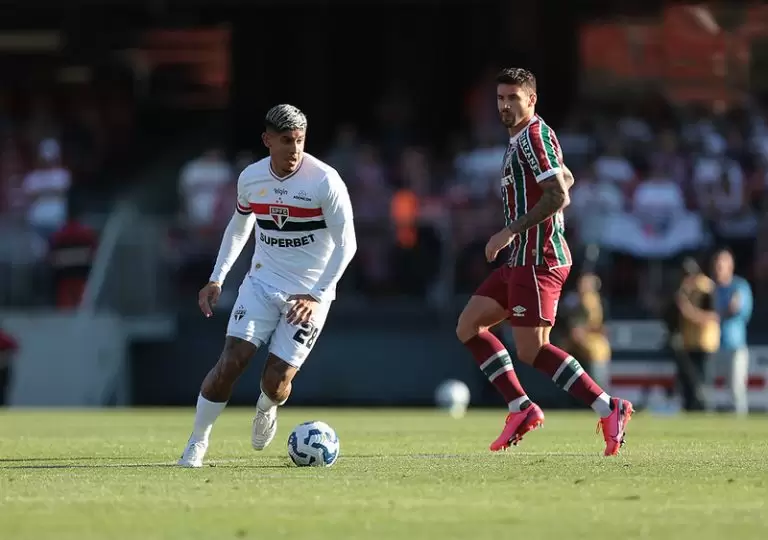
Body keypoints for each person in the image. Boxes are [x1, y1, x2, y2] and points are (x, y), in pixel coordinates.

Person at [455, 68, 633, 456]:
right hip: (521, 259)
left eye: (513, 98)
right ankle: (520, 407)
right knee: (469, 325)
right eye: (500, 98)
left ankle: (609, 407)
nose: (504, 105)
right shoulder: (522, 137)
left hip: (540, 258)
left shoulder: (533, 134)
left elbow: (557, 196)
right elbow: (562, 178)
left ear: (531, 100)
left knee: (533, 349)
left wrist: (510, 231)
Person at [178, 104, 357, 467]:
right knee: (230, 362)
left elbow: (347, 244)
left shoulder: (324, 181)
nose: (295, 150)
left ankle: (267, 406)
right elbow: (239, 227)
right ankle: (197, 442)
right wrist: (217, 277)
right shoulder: (251, 178)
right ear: (267, 140)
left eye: (300, 141)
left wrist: (316, 295)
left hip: (309, 293)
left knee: (275, 382)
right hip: (261, 282)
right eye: (287, 141)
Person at [674, 257, 720, 411]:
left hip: (704, 343)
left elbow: (712, 316)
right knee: (688, 384)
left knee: (701, 385)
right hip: (690, 343)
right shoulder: (686, 289)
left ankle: (705, 411)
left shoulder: (705, 288)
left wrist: (688, 312)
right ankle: (690, 410)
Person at [711, 248, 753, 415]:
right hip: (712, 346)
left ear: (730, 266)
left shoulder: (739, 286)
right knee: (708, 390)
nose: (718, 268)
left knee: (736, 390)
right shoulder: (710, 288)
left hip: (735, 346)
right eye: (716, 264)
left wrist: (712, 315)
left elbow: (735, 309)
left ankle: (741, 429)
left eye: (722, 264)